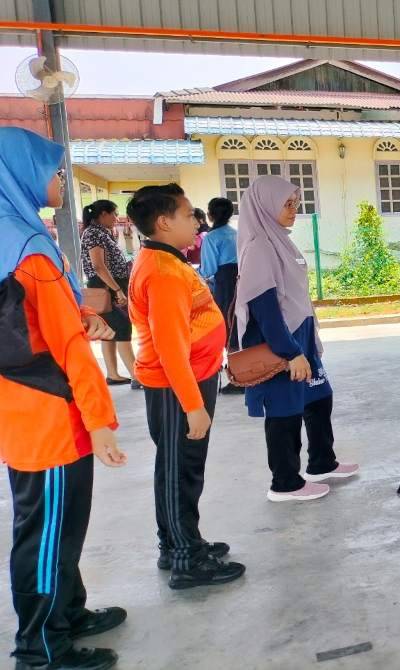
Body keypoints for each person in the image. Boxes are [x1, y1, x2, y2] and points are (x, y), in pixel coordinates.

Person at [0, 127, 127, 670]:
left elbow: (26, 325)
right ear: (22, 175)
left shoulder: (10, 235)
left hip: (21, 410)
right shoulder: (31, 250)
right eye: (54, 172)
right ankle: (41, 648)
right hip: (51, 415)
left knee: (53, 526)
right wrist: (100, 421)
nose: (60, 181)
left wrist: (80, 314)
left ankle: (68, 612)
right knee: (48, 531)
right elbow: (69, 348)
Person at [127, 183, 245, 589]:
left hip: (190, 379)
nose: (197, 220)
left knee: (181, 468)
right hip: (179, 386)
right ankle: (185, 560)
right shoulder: (161, 272)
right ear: (164, 222)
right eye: (188, 213)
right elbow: (170, 347)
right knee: (180, 471)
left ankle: (181, 541)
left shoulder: (168, 261)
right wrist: (193, 404)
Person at [234, 176, 359, 503]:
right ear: (266, 205)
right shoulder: (260, 245)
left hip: (298, 334)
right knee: (284, 411)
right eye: (287, 204)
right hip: (279, 341)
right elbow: (265, 308)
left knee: (318, 399)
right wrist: (290, 352)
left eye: (295, 204)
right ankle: (285, 483)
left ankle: (321, 462)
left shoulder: (280, 240)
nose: (294, 211)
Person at [80, 199, 139, 389]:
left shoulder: (98, 232)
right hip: (107, 286)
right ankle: (136, 376)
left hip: (109, 285)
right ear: (103, 214)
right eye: (113, 214)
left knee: (110, 331)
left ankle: (113, 374)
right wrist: (117, 289)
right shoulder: (94, 233)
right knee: (122, 329)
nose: (116, 218)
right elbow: (98, 266)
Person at [198, 197, 243, 395]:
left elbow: (208, 269)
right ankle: (247, 371)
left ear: (210, 214)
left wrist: (194, 274)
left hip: (224, 285)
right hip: (243, 282)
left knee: (227, 327)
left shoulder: (211, 237)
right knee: (240, 324)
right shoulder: (237, 234)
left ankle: (237, 378)